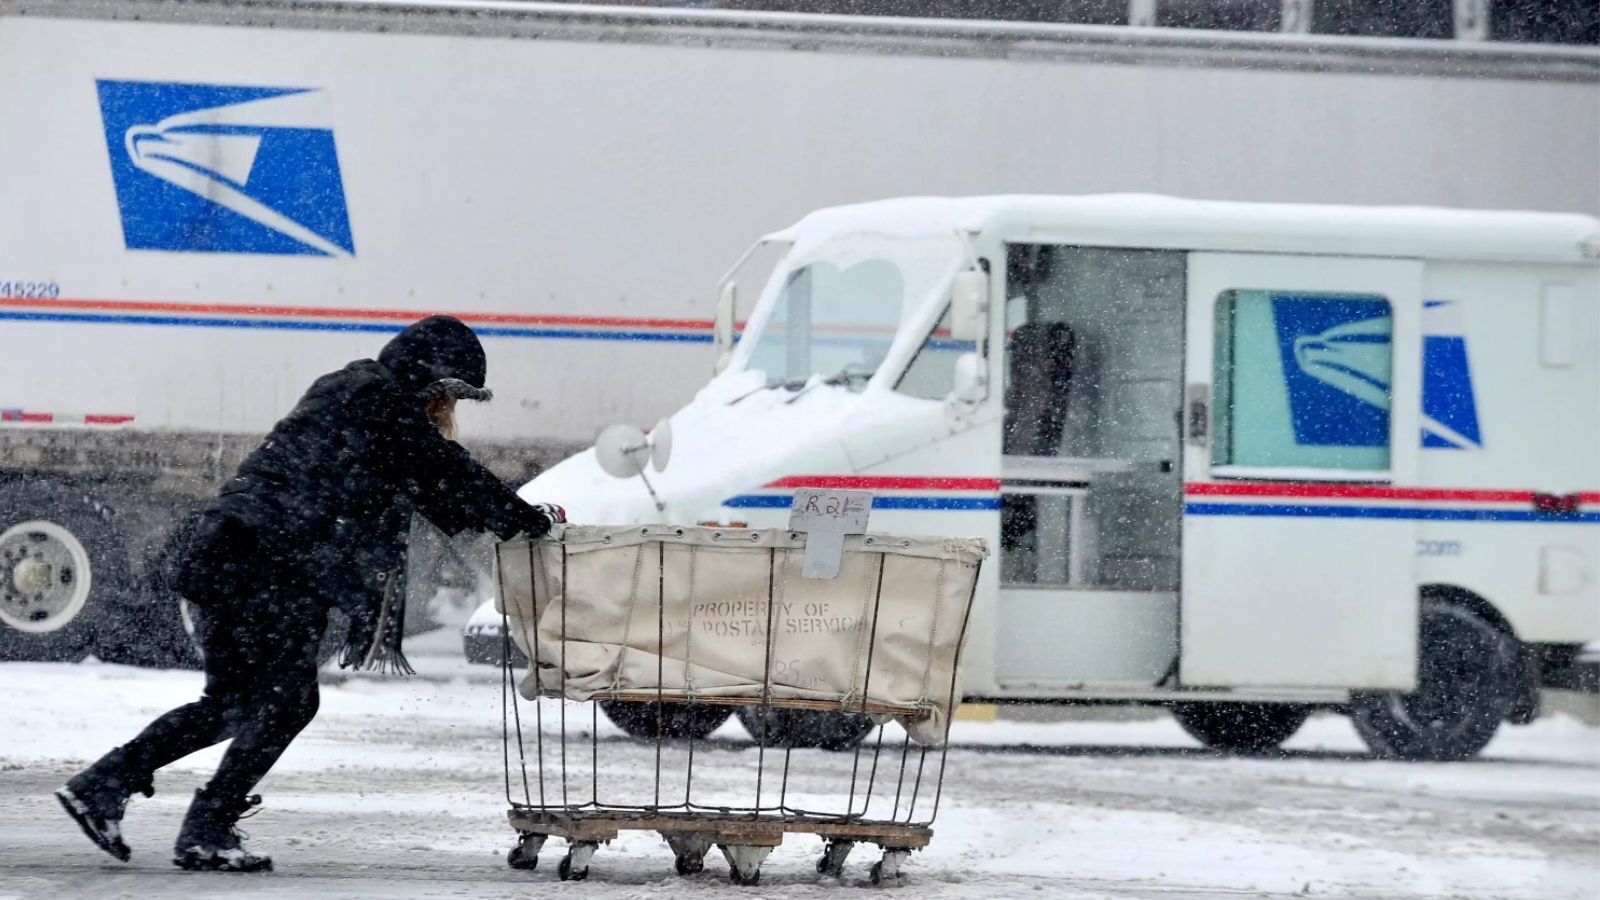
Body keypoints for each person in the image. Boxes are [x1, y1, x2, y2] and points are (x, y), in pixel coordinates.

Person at [54, 315, 562, 872]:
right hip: (267, 565)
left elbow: (433, 487)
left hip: (234, 553)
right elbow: (446, 472)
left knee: (235, 703)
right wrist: (524, 519)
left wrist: (509, 517)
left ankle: (109, 786)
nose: (447, 407)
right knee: (286, 703)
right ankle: (202, 824)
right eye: (446, 393)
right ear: (425, 377)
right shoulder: (377, 399)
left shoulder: (349, 389)